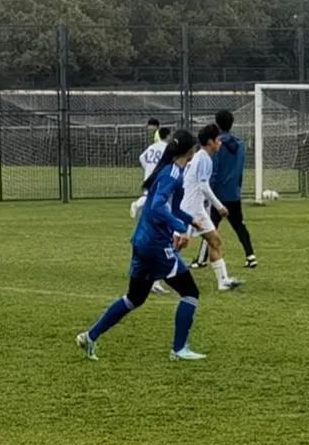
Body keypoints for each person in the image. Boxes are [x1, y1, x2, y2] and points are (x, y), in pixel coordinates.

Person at [76, 129, 208, 362]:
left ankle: (90, 336)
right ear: (189, 150)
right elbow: (156, 207)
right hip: (156, 245)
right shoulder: (171, 174)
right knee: (190, 292)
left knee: (135, 297)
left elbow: (172, 208)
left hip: (142, 242)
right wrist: (179, 228)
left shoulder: (172, 171)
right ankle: (179, 349)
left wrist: (190, 220)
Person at [193, 110, 257, 269]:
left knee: (209, 226)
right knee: (239, 225)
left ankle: (201, 259)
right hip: (233, 193)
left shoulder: (216, 145)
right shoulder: (240, 145)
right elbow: (240, 170)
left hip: (218, 194)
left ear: (217, 124)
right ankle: (250, 256)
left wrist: (208, 193)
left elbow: (213, 170)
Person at [182, 123, 242, 291]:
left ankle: (223, 281)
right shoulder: (204, 159)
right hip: (189, 209)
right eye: (218, 140)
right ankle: (153, 280)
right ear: (210, 142)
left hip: (198, 209)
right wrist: (219, 206)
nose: (220, 143)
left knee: (214, 241)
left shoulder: (200, 157)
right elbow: (203, 186)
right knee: (176, 246)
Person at [131, 126, 172, 295]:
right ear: (167, 136)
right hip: (159, 188)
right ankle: (155, 279)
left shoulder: (151, 147)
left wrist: (148, 168)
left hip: (150, 182)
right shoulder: (167, 149)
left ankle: (148, 275)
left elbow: (142, 158)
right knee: (159, 236)